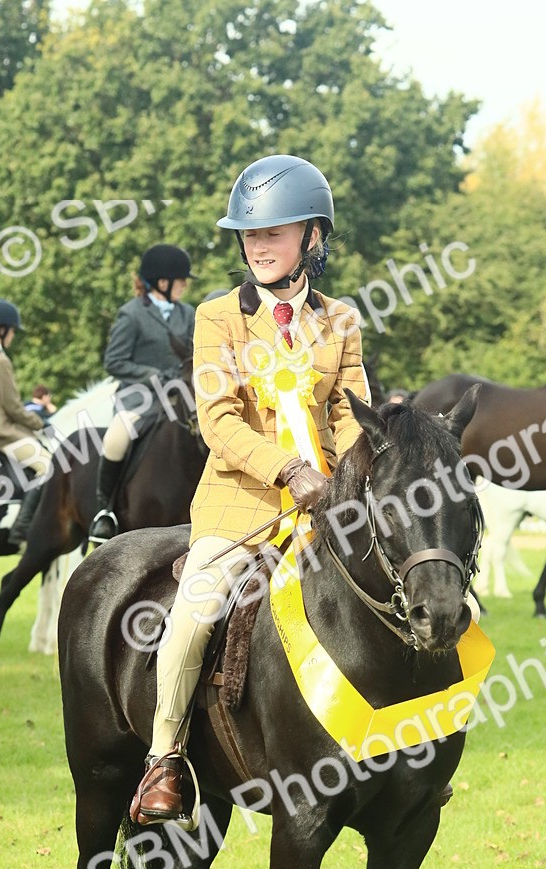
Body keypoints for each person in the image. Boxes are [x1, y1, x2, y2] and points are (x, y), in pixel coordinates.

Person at [130, 154, 370, 825]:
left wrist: (351, 477)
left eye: (274, 232)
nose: (259, 246)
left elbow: (351, 413)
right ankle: (165, 760)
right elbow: (219, 422)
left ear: (312, 238)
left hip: (329, 502)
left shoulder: (342, 320)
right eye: (250, 234)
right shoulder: (216, 319)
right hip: (243, 508)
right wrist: (291, 471)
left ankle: (415, 750)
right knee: (190, 616)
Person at [88, 244, 196, 543]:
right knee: (116, 437)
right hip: (139, 399)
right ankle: (104, 512)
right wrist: (151, 375)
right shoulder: (132, 314)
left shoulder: (188, 314)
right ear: (163, 283)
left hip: (178, 400)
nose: (186, 285)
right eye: (181, 279)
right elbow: (114, 361)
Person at [0, 298, 49, 548]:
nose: (13, 336)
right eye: (13, 331)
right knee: (48, 467)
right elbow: (13, 407)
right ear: (3, 330)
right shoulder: (0, 361)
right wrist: (39, 422)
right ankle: (21, 529)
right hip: (1, 432)